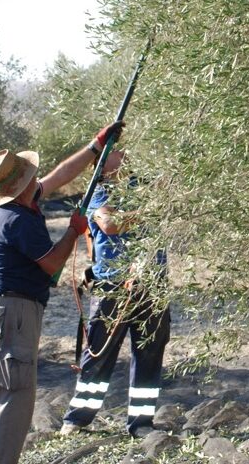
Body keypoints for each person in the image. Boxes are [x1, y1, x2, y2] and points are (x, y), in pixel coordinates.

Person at [0, 121, 123, 464]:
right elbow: (54, 265)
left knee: (1, 395)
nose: (37, 181)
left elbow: (60, 175)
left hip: (1, 312)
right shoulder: (17, 220)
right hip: (14, 314)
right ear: (23, 185)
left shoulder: (16, 205)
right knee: (15, 400)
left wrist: (94, 148)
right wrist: (74, 230)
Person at [59, 148, 170, 438]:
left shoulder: (144, 186)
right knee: (99, 353)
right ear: (102, 163)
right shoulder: (98, 191)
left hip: (152, 285)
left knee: (149, 353)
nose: (124, 153)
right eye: (116, 151)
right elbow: (109, 224)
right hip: (113, 286)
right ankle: (77, 419)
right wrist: (150, 211)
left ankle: (142, 423)